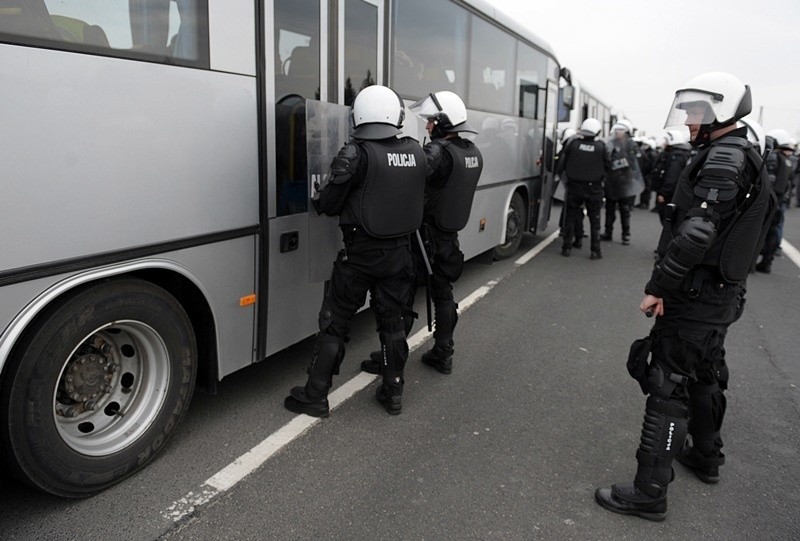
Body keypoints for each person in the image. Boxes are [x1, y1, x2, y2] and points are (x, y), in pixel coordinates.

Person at [595, 72, 776, 521]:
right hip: (719, 294)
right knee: (707, 370)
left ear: (723, 110)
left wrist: (658, 286)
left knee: (667, 382)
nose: (690, 120)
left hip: (697, 294)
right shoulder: (738, 152)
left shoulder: (724, 158)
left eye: (698, 111)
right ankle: (706, 455)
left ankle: (649, 492)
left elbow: (696, 233)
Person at [284, 84, 426, 417]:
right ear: (396, 115)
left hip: (360, 256)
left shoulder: (356, 153)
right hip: (400, 255)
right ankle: (393, 390)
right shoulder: (417, 151)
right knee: (393, 324)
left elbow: (328, 204)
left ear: (358, 115)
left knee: (335, 324)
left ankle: (315, 394)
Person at [361, 90, 483, 377]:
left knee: (401, 295)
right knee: (443, 292)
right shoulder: (470, 151)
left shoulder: (438, 152)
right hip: (447, 235)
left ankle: (391, 361)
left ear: (443, 122)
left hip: (424, 236)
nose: (428, 126)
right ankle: (443, 352)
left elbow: (409, 173)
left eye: (431, 121)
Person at [556, 118, 611, 259]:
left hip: (574, 187)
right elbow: (608, 167)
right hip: (594, 189)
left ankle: (566, 247)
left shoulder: (573, 144)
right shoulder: (601, 146)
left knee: (571, 218)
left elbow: (562, 163)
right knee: (595, 221)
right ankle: (595, 250)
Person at [756, 129, 796, 273]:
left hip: (771, 200)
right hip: (781, 200)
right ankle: (767, 261)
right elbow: (790, 183)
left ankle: (755, 261)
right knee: (773, 231)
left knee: (760, 231)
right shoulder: (788, 160)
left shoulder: (773, 157)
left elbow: (769, 181)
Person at [602, 119, 643, 245]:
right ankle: (608, 232)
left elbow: (635, 163)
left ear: (627, 131)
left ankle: (626, 235)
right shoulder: (610, 143)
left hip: (625, 182)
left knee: (625, 210)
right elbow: (605, 159)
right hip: (611, 181)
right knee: (609, 210)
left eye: (621, 130)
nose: (618, 132)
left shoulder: (632, 145)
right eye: (616, 130)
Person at [651, 129, 693, 226]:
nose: (664, 143)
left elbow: (672, 176)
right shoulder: (679, 154)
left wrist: (663, 193)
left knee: (667, 220)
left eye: (666, 140)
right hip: (673, 193)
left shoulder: (676, 156)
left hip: (669, 194)